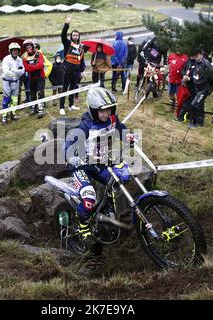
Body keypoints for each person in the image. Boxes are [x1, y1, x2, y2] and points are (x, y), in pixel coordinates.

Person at [64, 87, 133, 246]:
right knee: (88, 199)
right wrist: (72, 158)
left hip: (100, 164)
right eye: (101, 111)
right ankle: (83, 228)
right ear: (92, 110)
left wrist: (128, 135)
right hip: (82, 167)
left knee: (115, 183)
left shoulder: (111, 119)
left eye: (108, 110)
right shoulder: (85, 127)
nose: (105, 114)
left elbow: (120, 129)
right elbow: (68, 145)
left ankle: (108, 211)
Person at [177, 48, 213, 127]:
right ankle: (197, 122)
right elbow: (196, 76)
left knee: (195, 105)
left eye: (197, 55)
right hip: (196, 88)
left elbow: (212, 79)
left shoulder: (206, 64)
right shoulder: (196, 63)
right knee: (195, 104)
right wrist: (188, 78)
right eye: (195, 55)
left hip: (203, 89)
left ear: (201, 55)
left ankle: (195, 122)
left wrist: (208, 90)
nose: (195, 56)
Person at [59, 15, 86, 115]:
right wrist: (67, 23)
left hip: (76, 71)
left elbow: (81, 59)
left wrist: (82, 71)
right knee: (65, 88)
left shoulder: (81, 47)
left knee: (73, 88)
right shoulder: (67, 43)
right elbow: (62, 35)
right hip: (67, 70)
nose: (75, 37)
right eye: (73, 35)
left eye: (77, 35)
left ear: (79, 37)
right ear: (71, 36)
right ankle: (61, 107)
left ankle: (71, 105)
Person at [1, 42, 24, 124]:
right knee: (6, 99)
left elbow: (22, 71)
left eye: (16, 50)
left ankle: (13, 114)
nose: (15, 52)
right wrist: (17, 72)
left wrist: (14, 71)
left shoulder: (19, 60)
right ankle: (4, 116)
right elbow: (6, 72)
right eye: (13, 50)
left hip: (16, 81)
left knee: (14, 100)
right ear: (10, 51)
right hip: (7, 81)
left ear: (18, 51)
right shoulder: (6, 59)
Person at [22, 39, 45, 119]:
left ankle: (41, 109)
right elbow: (27, 69)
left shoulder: (39, 54)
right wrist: (34, 66)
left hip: (40, 77)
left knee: (39, 92)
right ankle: (34, 108)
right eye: (26, 47)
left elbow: (41, 65)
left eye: (29, 46)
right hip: (32, 77)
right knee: (32, 93)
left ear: (32, 46)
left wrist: (31, 67)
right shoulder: (25, 57)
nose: (29, 48)